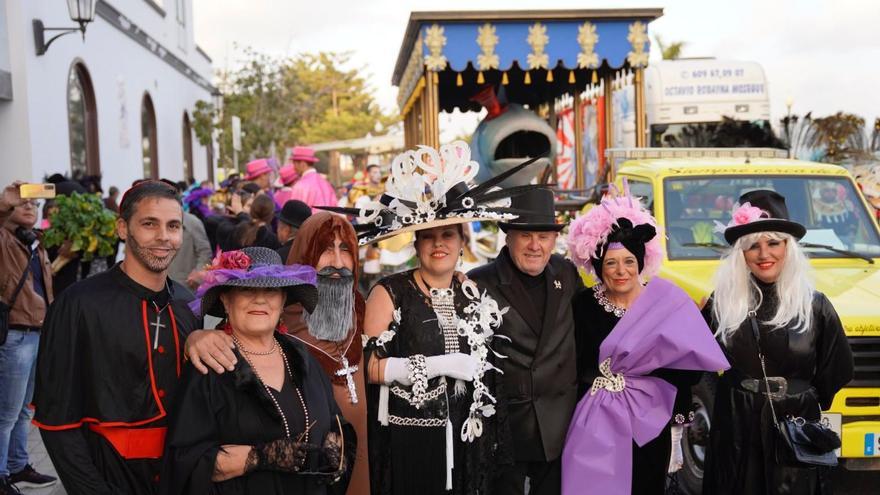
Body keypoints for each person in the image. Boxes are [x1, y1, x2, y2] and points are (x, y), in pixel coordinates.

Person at [349, 141, 537, 494]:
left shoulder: (472, 293)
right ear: (416, 245)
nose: (439, 244)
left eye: (448, 234)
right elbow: (368, 367)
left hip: (468, 438)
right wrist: (438, 364)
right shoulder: (389, 292)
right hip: (411, 441)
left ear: (462, 240)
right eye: (429, 236)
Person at [32, 180, 200, 495]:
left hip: (181, 472)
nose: (164, 236)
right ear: (123, 228)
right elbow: (57, 421)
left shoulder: (187, 301)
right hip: (108, 471)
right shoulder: (78, 303)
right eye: (149, 224)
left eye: (173, 226)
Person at [562, 184, 729, 495]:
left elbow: (688, 370)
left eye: (628, 261)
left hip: (651, 425)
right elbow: (573, 364)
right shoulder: (582, 305)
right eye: (611, 263)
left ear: (640, 261)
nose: (621, 271)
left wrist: (677, 425)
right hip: (596, 423)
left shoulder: (666, 302)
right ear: (599, 267)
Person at [162, 247, 354, 495]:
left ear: (283, 300)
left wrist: (336, 448)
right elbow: (186, 462)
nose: (260, 299)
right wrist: (259, 457)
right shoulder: (210, 366)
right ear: (226, 299)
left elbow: (335, 422)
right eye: (247, 289)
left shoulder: (304, 359)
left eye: (271, 290)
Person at [701, 190, 854, 494]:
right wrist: (730, 399)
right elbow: (699, 366)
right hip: (737, 429)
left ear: (788, 248)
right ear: (741, 255)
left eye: (773, 243)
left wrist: (803, 399)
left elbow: (837, 368)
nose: (764, 254)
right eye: (753, 246)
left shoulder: (815, 306)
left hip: (796, 427)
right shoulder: (721, 304)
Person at [467, 188, 581, 495]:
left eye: (543, 236)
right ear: (509, 236)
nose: (535, 246)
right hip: (506, 431)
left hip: (560, 425)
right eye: (526, 235)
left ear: (554, 240)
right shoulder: (479, 283)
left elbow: (587, 334)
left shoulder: (567, 273)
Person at [282, 212, 370, 495]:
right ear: (304, 256)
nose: (336, 263)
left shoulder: (367, 314)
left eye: (345, 249)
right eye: (324, 250)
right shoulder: (277, 326)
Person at [0, 182, 57, 493]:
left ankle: (17, 466)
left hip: (36, 332)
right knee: (5, 413)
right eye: (22, 204)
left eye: (34, 205)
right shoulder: (4, 241)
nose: (29, 208)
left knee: (23, 410)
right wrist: (8, 199)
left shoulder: (34, 241)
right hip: (15, 335)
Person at [288, 146, 337, 210]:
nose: (294, 167)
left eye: (294, 163)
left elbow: (294, 213)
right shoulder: (326, 183)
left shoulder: (300, 186)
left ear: (302, 164)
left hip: (311, 219)